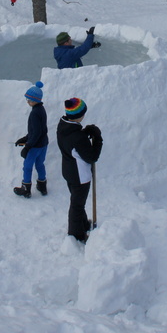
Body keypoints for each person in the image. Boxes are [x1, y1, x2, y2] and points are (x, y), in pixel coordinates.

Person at [57, 98, 103, 242]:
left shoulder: (63, 127)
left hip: (69, 172)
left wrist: (84, 132)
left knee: (77, 202)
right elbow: (92, 157)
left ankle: (83, 224)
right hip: (80, 176)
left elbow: (74, 142)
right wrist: (98, 138)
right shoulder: (78, 137)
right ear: (79, 115)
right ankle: (76, 235)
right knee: (77, 205)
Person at [13, 81, 49, 198]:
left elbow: (36, 132)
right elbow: (38, 130)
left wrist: (28, 146)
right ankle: (42, 186)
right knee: (40, 164)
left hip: (35, 146)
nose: (28, 102)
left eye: (29, 100)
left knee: (27, 166)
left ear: (35, 100)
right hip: (43, 144)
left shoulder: (34, 113)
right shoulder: (41, 110)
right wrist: (24, 138)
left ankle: (26, 188)